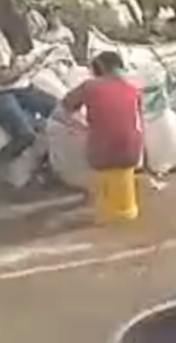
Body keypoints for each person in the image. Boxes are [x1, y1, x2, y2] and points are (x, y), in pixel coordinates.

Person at [0, 0, 58, 189]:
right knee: (24, 135)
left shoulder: (11, 32)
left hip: (18, 87)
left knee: (58, 111)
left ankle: (49, 164)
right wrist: (30, 64)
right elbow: (3, 78)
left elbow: (19, 58)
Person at [54, 51, 144, 223]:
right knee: (121, 166)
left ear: (99, 68)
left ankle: (98, 200)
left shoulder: (89, 87)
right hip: (132, 153)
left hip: (101, 154)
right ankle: (125, 209)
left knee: (71, 136)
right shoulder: (133, 89)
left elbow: (66, 106)